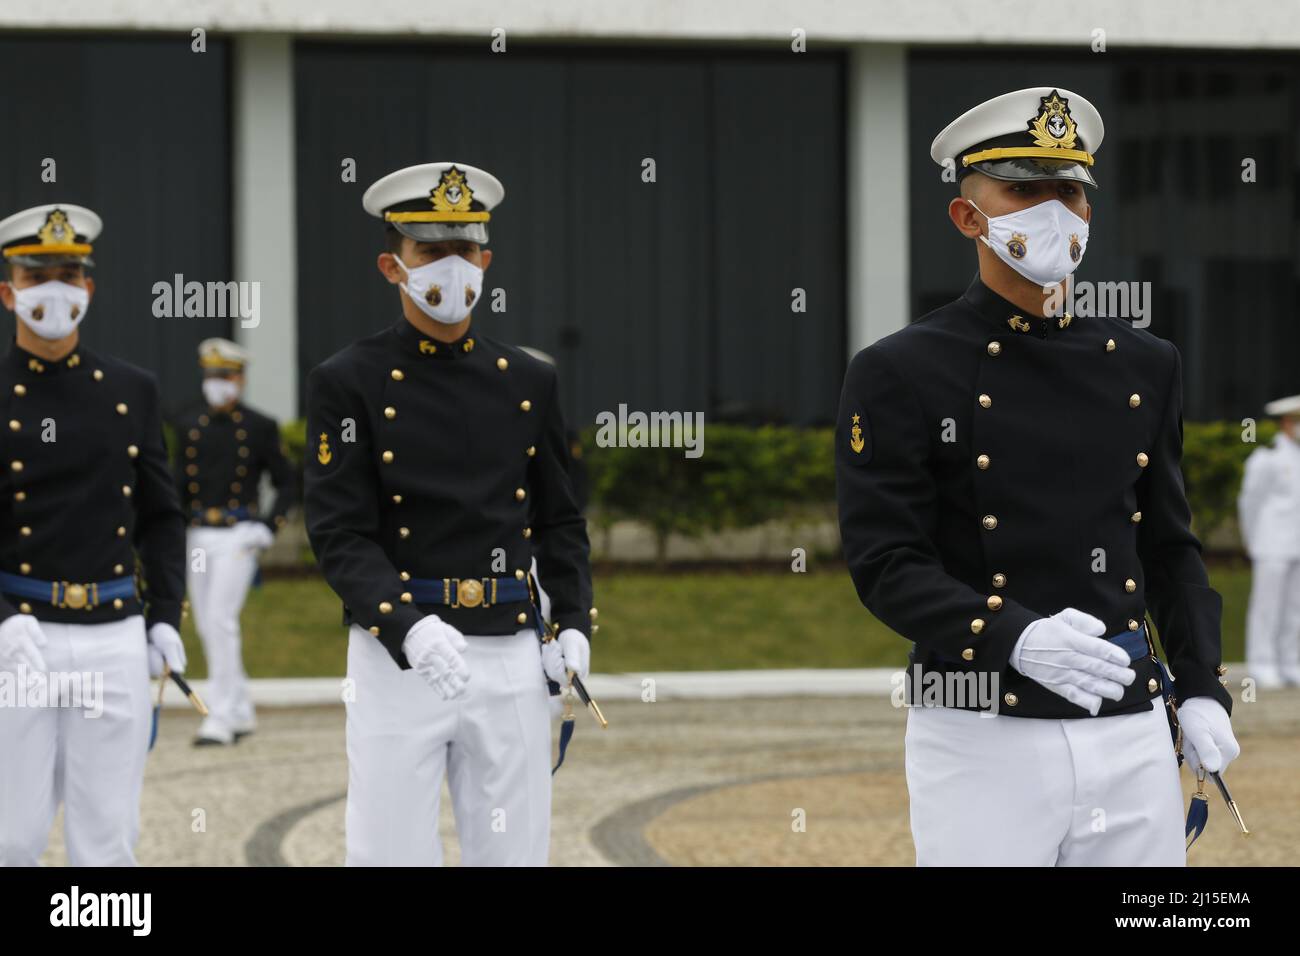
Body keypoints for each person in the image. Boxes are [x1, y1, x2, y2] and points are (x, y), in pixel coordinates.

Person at [835, 89, 1240, 866]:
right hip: (979, 723)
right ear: (968, 217)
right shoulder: (900, 369)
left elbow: (1168, 546)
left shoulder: (1148, 363)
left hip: (1127, 719)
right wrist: (1012, 636)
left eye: (1070, 190)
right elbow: (887, 564)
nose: (1054, 209)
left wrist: (1198, 683)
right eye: (1025, 190)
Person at [304, 162, 594, 866]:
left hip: (509, 652)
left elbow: (559, 520)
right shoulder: (348, 381)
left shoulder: (530, 379)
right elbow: (338, 531)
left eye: (465, 251)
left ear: (487, 261)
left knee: (513, 853)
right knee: (389, 854)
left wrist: (575, 624)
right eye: (431, 252)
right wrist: (405, 625)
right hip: (402, 654)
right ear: (392, 265)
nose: (452, 268)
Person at [0, 203, 186, 865]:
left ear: (90, 288)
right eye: (38, 273)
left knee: (108, 838)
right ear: (8, 290)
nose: (56, 286)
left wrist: (164, 617)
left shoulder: (132, 389)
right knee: (12, 836)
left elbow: (162, 517)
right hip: (18, 635)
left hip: (113, 630)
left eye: (70, 273)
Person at [171, 337, 295, 745]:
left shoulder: (258, 426)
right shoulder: (189, 423)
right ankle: (240, 708)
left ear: (240, 379)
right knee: (208, 624)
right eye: (211, 375)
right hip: (198, 535)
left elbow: (289, 480)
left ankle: (220, 716)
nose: (218, 383)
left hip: (238, 535)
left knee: (222, 620)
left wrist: (268, 526)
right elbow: (178, 484)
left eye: (225, 375)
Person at [1238, 393, 1300, 688]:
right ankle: (1262, 663)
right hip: (1272, 542)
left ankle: (1291, 662)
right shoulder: (1267, 457)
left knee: (1295, 608)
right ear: (1288, 422)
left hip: (1297, 544)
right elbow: (1250, 501)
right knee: (1267, 606)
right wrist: (1252, 538)